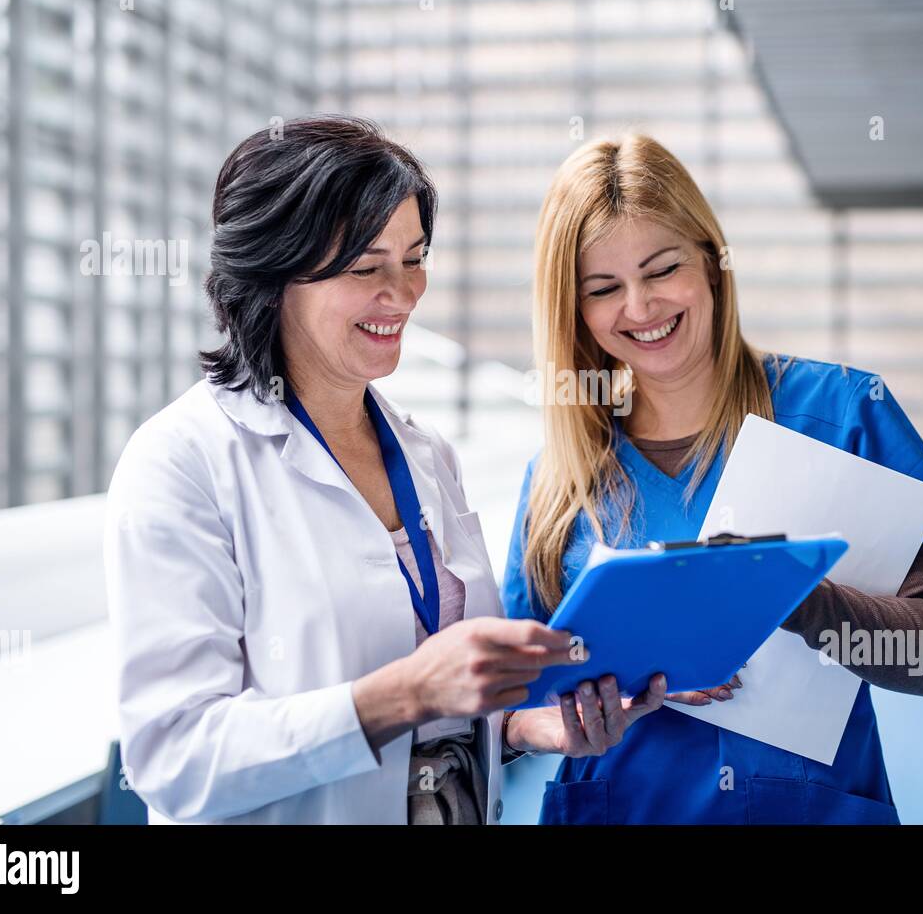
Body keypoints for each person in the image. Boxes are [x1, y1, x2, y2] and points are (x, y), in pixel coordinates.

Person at [103, 115, 665, 825]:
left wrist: (527, 728)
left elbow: (445, 712)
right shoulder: (183, 462)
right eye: (367, 267)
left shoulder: (425, 453)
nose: (403, 294)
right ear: (275, 274)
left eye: (416, 257)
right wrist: (404, 694)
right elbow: (174, 757)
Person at [500, 134, 923, 824]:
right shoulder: (561, 480)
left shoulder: (840, 415)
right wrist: (544, 723)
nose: (640, 307)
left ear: (711, 260)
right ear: (575, 311)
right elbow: (505, 703)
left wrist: (796, 596)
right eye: (604, 288)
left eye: (662, 269)